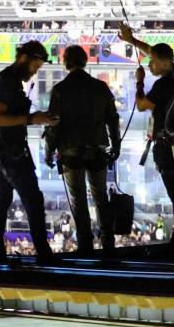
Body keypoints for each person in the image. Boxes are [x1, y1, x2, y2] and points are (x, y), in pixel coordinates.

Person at [118, 23, 174, 253]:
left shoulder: (161, 86)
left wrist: (139, 81)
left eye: (152, 63)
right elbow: (156, 52)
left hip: (166, 147)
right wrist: (133, 41)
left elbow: (141, 106)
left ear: (162, 63)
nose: (149, 65)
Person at [0, 40, 58, 264]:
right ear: (24, 58)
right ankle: (44, 254)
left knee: (1, 201)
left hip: (3, 150)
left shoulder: (10, 80)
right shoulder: (7, 81)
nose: (35, 72)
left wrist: (36, 118)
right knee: (33, 199)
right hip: (9, 151)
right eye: (35, 66)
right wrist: (31, 119)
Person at [44, 44, 120, 256]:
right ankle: (108, 243)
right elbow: (113, 120)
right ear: (85, 61)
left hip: (70, 152)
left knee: (78, 199)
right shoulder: (100, 87)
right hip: (97, 149)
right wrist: (116, 145)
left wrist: (48, 151)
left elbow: (53, 124)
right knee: (100, 197)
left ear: (65, 61)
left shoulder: (60, 89)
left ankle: (85, 244)